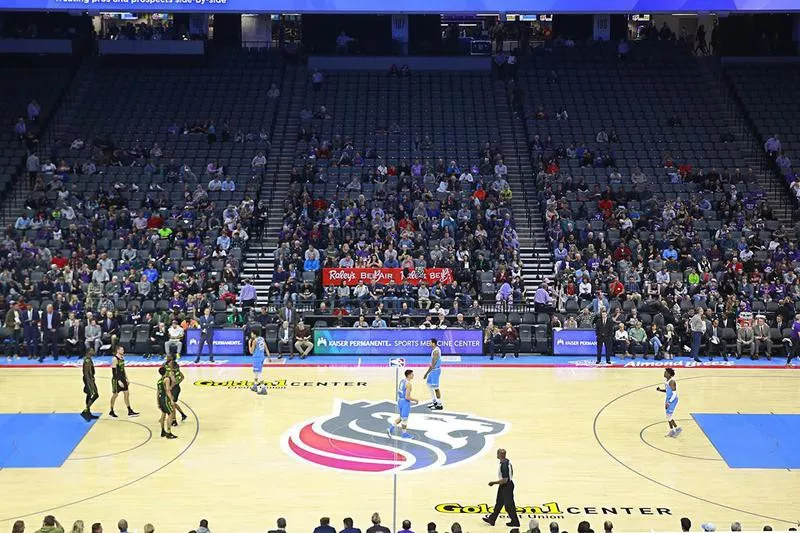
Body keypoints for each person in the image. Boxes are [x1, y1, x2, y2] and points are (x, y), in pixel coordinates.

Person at [482, 448, 521, 527]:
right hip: (505, 485)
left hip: (506, 486)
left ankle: (515, 521)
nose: (497, 454)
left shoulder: (504, 465)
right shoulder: (506, 461)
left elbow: (505, 480)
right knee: (499, 503)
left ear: (501, 455)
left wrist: (494, 483)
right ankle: (492, 519)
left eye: (498, 453)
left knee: (509, 506)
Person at [109, 345, 139, 418]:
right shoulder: (114, 359)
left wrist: (126, 378)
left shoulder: (122, 358)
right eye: (122, 350)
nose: (123, 351)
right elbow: (114, 372)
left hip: (122, 378)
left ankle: (129, 410)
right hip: (116, 379)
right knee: (115, 395)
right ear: (118, 350)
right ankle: (111, 410)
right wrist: (118, 381)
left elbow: (123, 369)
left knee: (127, 394)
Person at [388, 369, 418, 439]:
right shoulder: (408, 384)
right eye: (412, 374)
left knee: (402, 417)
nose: (413, 375)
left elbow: (399, 392)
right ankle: (404, 434)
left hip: (400, 401)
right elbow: (407, 397)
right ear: (409, 375)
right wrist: (415, 400)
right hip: (405, 402)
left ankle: (391, 429)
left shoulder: (402, 381)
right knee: (404, 419)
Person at [656, 368, 681, 437]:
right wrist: (660, 390)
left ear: (669, 374)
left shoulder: (672, 382)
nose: (664, 373)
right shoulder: (666, 381)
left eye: (666, 372)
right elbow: (667, 391)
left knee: (669, 416)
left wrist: (669, 402)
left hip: (672, 400)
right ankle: (672, 430)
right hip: (668, 400)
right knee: (668, 416)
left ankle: (676, 429)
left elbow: (674, 394)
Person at [165, 355, 188, 424]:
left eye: (168, 356)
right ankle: (183, 414)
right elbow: (182, 377)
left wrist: (172, 386)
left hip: (175, 389)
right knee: (173, 404)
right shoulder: (170, 367)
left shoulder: (173, 370)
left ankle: (174, 420)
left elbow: (180, 378)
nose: (167, 357)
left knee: (172, 404)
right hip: (175, 387)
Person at [157, 365, 177, 439]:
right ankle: (168, 432)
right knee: (171, 414)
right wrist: (171, 399)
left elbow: (158, 392)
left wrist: (158, 402)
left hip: (160, 398)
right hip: (165, 399)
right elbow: (168, 390)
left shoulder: (159, 381)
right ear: (165, 372)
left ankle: (162, 431)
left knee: (163, 414)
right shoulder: (167, 379)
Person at [423, 339, 443, 410]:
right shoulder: (434, 350)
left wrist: (426, 373)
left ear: (434, 343)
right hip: (433, 371)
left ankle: (439, 404)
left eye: (430, 343)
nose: (429, 344)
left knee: (436, 388)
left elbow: (433, 364)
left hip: (435, 371)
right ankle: (434, 401)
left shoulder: (436, 352)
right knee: (429, 384)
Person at [81, 349, 99, 421]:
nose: (94, 352)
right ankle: (85, 411)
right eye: (92, 350)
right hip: (89, 379)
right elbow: (86, 372)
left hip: (89, 379)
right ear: (89, 352)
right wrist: (89, 381)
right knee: (95, 395)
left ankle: (88, 412)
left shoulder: (88, 359)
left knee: (89, 395)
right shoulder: (87, 360)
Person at [249, 330, 269, 395]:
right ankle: (255, 386)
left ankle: (263, 389)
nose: (251, 335)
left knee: (259, 373)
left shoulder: (254, 341)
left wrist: (249, 344)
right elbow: (265, 347)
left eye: (252, 333)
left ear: (254, 334)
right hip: (262, 357)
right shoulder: (262, 339)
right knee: (256, 372)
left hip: (257, 358)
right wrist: (269, 356)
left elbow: (251, 352)